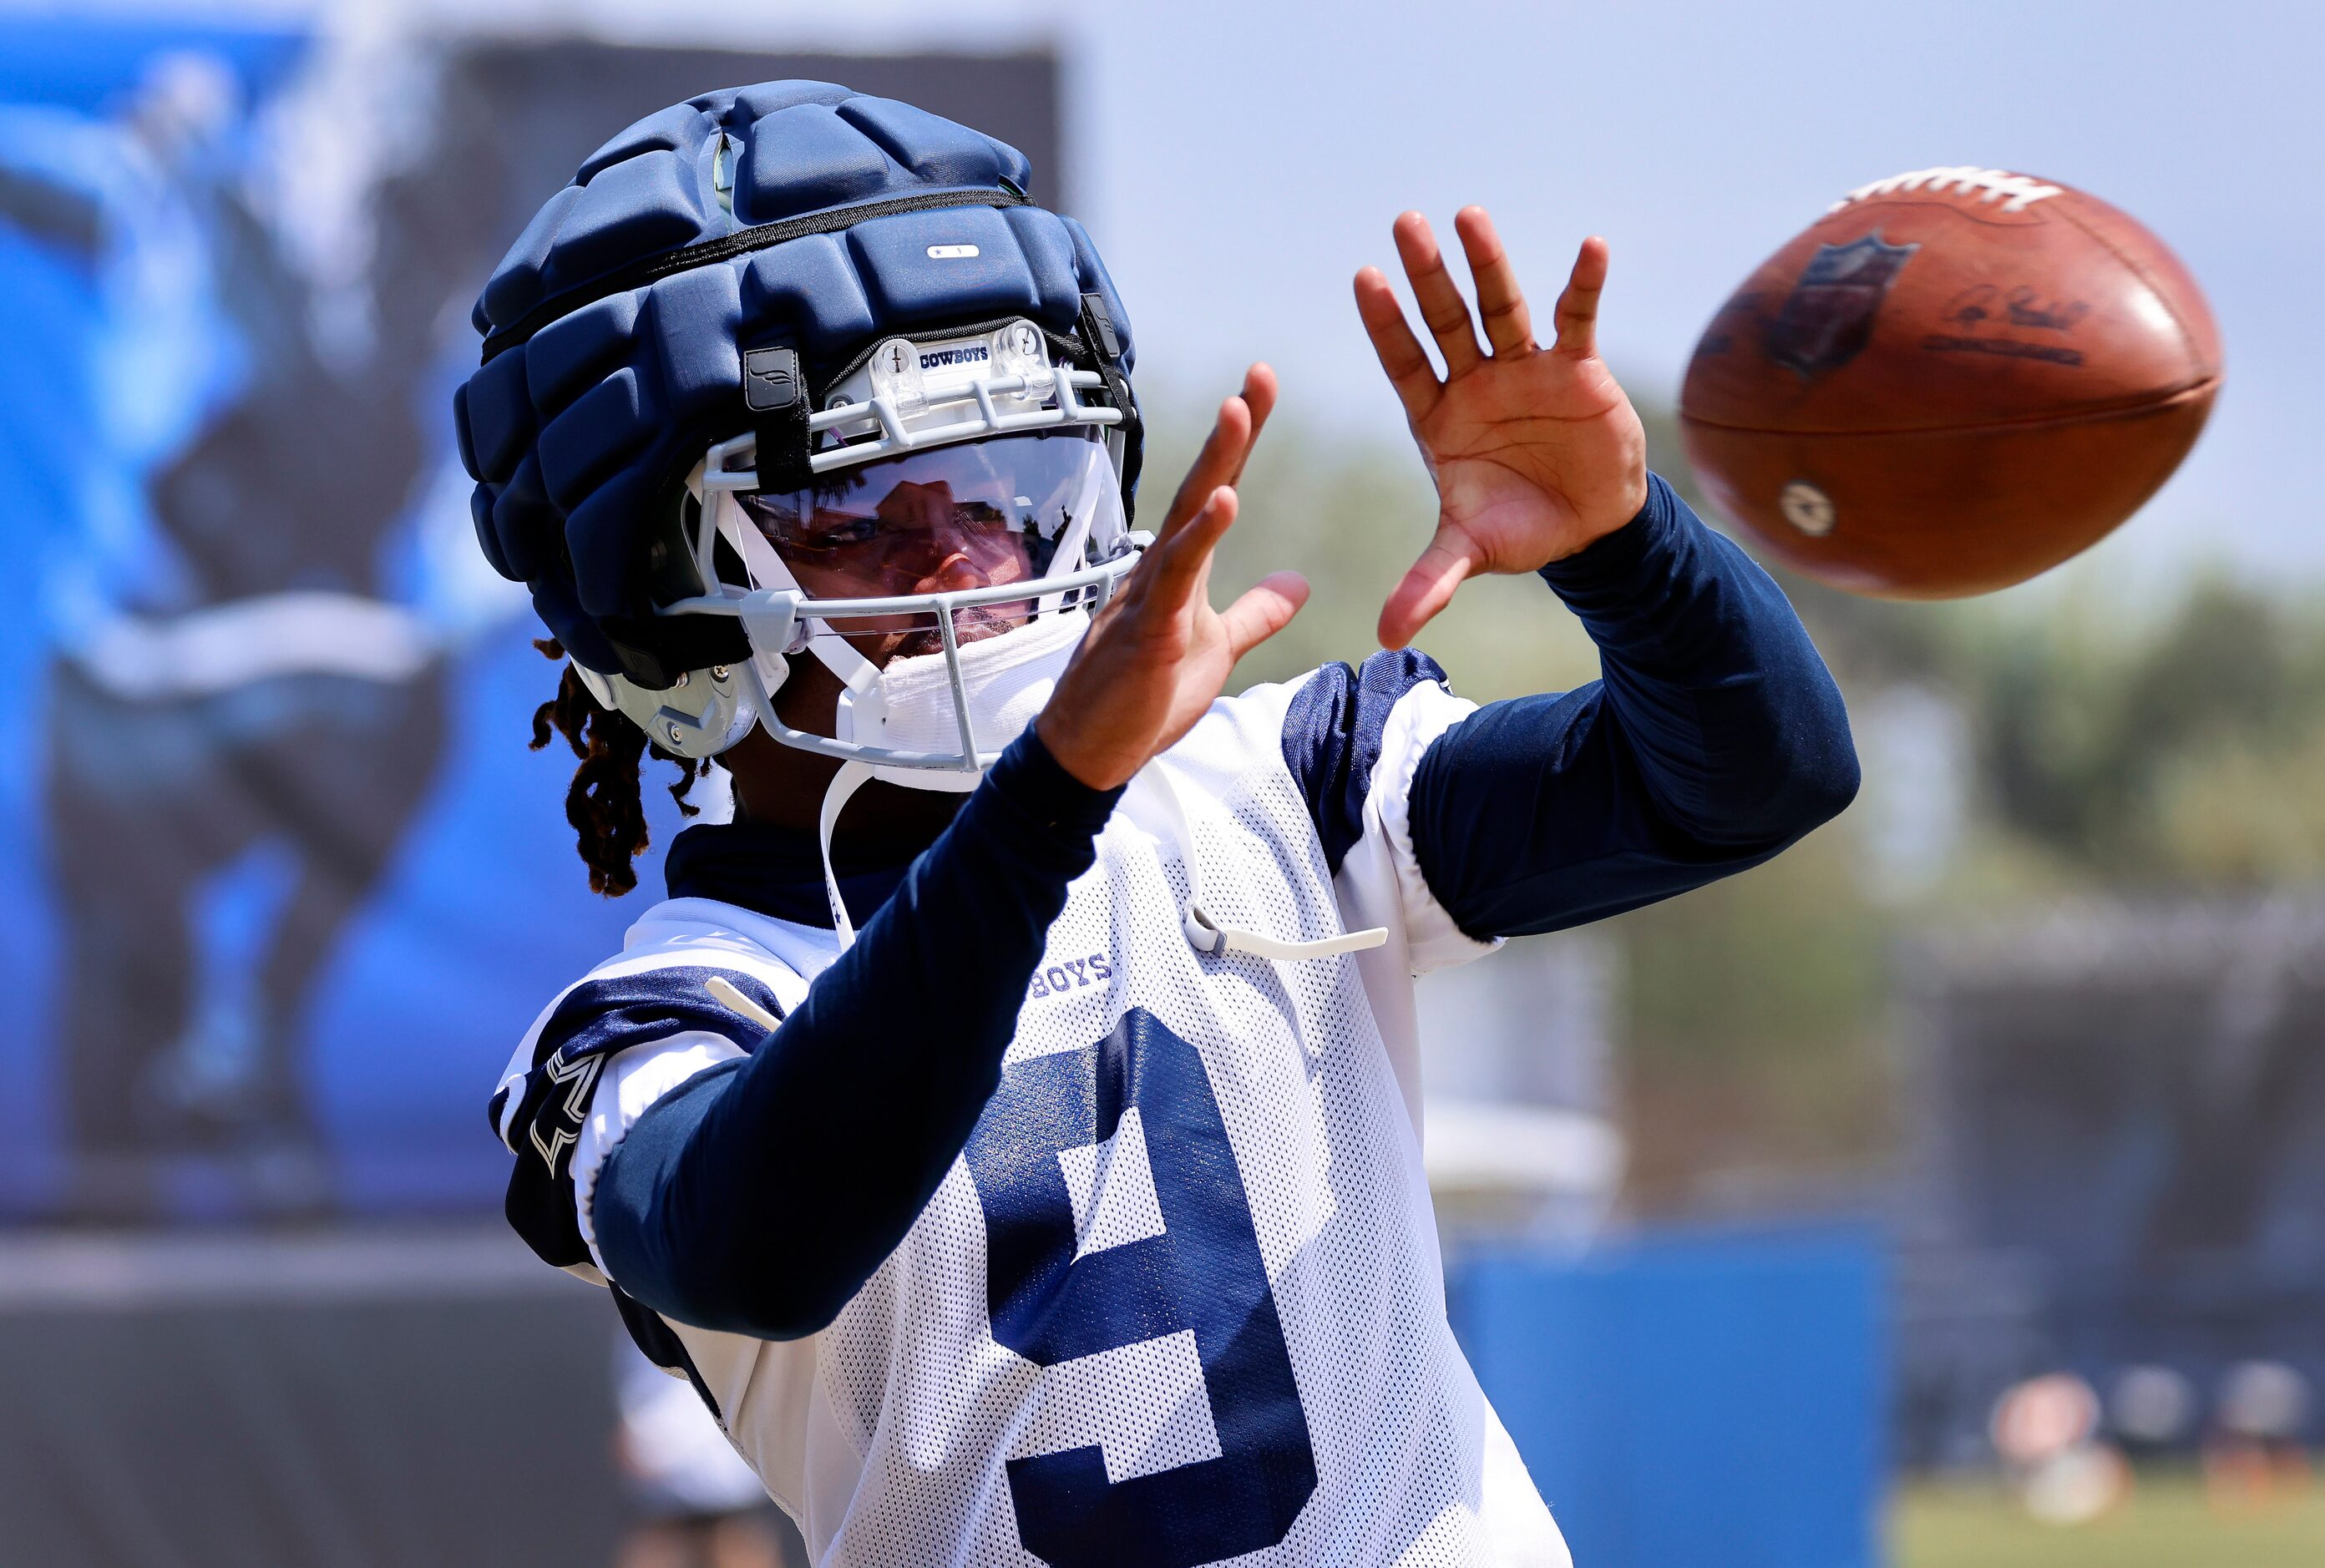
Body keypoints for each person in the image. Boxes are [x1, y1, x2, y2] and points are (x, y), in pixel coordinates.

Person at [466, 81, 1857, 1568]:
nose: (965, 556)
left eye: (1002, 482)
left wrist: (1627, 548)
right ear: (664, 598)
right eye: (859, 505)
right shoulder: (660, 1019)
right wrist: (1050, 795)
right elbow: (768, 1239)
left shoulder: (1284, 784)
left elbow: (1756, 773)